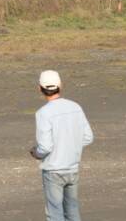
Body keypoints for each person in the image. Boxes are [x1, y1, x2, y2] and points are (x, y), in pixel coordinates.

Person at [29, 70, 94, 221]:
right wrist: (70, 145)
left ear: (40, 88)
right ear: (60, 86)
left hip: (53, 170)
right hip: (72, 167)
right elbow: (88, 137)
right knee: (72, 210)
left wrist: (35, 153)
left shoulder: (43, 113)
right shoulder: (75, 107)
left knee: (55, 213)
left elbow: (45, 147)